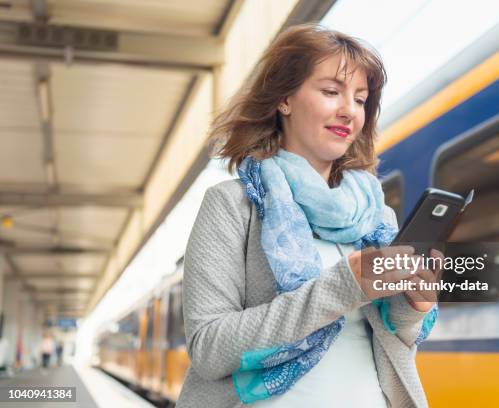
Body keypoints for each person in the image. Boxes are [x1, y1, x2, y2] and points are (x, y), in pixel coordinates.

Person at [177, 24, 441, 408]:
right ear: (285, 98)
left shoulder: (375, 214)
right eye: (331, 92)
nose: (349, 110)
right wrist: (344, 285)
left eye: (361, 99)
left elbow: (392, 336)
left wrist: (414, 305)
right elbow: (209, 348)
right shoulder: (232, 205)